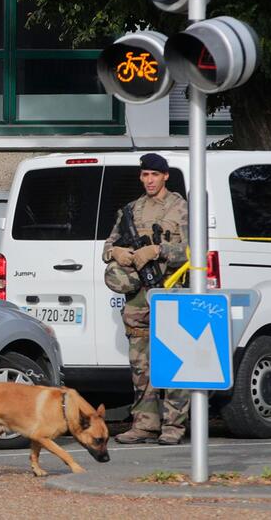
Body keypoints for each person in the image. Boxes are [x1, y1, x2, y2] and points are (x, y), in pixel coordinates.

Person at [102, 153, 190, 446]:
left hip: (172, 290)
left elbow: (193, 251)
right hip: (139, 298)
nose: (149, 180)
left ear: (166, 176)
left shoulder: (182, 208)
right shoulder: (131, 210)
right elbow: (108, 246)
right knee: (141, 366)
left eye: (154, 174)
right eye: (145, 175)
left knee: (174, 360)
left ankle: (173, 427)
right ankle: (145, 424)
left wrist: (158, 251)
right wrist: (117, 253)